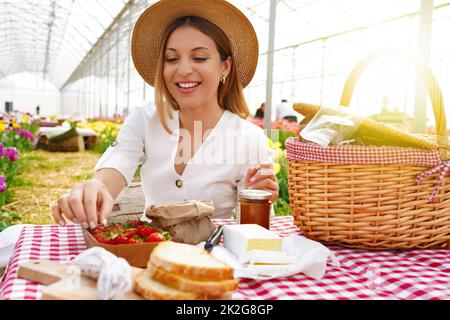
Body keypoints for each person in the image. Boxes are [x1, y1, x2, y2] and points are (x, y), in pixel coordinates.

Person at [52, 0, 278, 229]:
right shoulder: (145, 119)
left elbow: (252, 230)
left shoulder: (248, 138)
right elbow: (117, 166)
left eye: (199, 58)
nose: (183, 70)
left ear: (225, 67)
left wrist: (257, 197)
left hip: (216, 256)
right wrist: (96, 188)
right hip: (149, 252)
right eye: (171, 59)